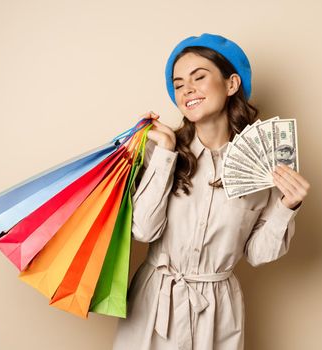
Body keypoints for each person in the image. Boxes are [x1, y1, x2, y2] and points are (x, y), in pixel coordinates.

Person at [112, 33, 310, 350]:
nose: (187, 89)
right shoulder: (160, 153)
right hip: (154, 304)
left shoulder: (264, 164)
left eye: (199, 77)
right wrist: (165, 153)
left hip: (218, 311)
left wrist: (287, 206)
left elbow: (258, 253)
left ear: (232, 84)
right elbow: (143, 231)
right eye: (178, 84)